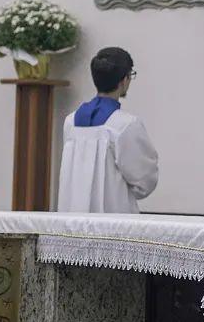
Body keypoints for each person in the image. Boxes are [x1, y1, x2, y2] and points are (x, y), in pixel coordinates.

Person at [57, 47, 159, 213]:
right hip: (113, 222)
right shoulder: (125, 125)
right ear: (124, 80)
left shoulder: (71, 122)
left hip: (72, 218)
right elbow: (145, 180)